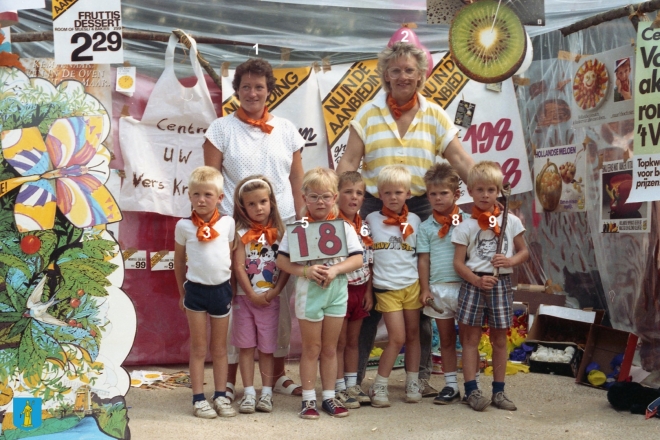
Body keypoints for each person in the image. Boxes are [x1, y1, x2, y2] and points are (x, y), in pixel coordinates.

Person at [336, 41, 474, 395]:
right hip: (372, 206)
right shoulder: (367, 114)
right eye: (395, 70)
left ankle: (420, 376)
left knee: (422, 291)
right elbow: (350, 163)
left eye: (409, 70)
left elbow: (458, 160)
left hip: (423, 208)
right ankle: (356, 379)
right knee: (369, 286)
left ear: (420, 75)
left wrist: (490, 191)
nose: (402, 76)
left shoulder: (436, 114)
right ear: (385, 75)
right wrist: (337, 203)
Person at [203, 58, 305, 398]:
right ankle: (231, 378)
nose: (252, 92)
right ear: (237, 90)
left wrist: (301, 223)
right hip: (237, 231)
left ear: (269, 90)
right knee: (238, 303)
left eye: (259, 86)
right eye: (245, 86)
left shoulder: (288, 130)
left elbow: (296, 179)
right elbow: (213, 182)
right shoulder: (220, 129)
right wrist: (222, 229)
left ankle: (276, 374)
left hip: (283, 228)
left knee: (278, 302)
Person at [276, 168, 364, 419]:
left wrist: (336, 269)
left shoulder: (344, 227)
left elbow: (357, 259)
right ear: (304, 198)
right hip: (309, 294)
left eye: (325, 196)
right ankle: (307, 399)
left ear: (334, 197)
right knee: (311, 348)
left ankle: (329, 397)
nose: (320, 202)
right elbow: (282, 262)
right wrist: (305, 271)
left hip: (336, 292)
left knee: (330, 347)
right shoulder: (297, 227)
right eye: (313, 196)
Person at [451, 161, 529, 412]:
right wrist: (475, 279)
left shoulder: (512, 221)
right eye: (480, 189)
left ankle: (499, 391)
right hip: (474, 283)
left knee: (499, 339)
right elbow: (458, 263)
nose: (485, 195)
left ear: (499, 191)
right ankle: (472, 390)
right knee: (470, 338)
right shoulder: (465, 226)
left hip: (500, 283)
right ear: (470, 191)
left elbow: (524, 251)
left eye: (491, 190)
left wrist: (509, 261)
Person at [174, 166, 236, 419]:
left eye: (208, 195)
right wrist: (181, 293)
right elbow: (179, 262)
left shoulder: (228, 223)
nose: (201, 199)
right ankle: (198, 398)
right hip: (195, 292)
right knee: (199, 348)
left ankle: (221, 395)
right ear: (189, 196)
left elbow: (229, 254)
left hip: (221, 291)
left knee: (220, 348)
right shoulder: (183, 226)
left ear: (220, 197)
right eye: (196, 194)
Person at [231, 175, 290, 414]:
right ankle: (248, 392)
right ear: (243, 207)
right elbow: (238, 267)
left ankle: (266, 393)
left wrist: (275, 291)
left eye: (263, 202)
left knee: (267, 348)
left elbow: (286, 266)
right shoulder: (240, 233)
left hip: (270, 300)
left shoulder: (281, 234)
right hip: (244, 300)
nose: (258, 208)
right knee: (246, 347)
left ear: (272, 202)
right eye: (252, 204)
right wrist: (250, 294)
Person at [365, 165, 423, 407]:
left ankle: (412, 380)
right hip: (386, 287)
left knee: (413, 336)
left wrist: (426, 287)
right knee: (396, 337)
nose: (393, 197)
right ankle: (379, 384)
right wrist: (368, 289)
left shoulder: (416, 220)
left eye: (398, 192)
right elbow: (366, 258)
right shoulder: (370, 219)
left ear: (408, 193)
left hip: (412, 286)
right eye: (387, 193)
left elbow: (422, 255)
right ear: (379, 194)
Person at [417, 163, 473, 405]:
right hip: (439, 288)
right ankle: (451, 385)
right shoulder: (425, 227)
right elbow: (424, 259)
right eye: (433, 194)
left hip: (466, 287)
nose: (438, 198)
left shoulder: (471, 222)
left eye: (444, 193)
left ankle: (473, 386)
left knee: (470, 340)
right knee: (447, 339)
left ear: (456, 194)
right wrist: (425, 288)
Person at [335, 171, 374, 408]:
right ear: (337, 194)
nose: (354, 197)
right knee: (338, 342)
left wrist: (369, 290)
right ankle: (338, 386)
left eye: (359, 193)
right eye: (348, 191)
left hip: (361, 289)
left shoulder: (365, 225)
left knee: (353, 341)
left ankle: (352, 385)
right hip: (340, 288)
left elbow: (369, 259)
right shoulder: (332, 224)